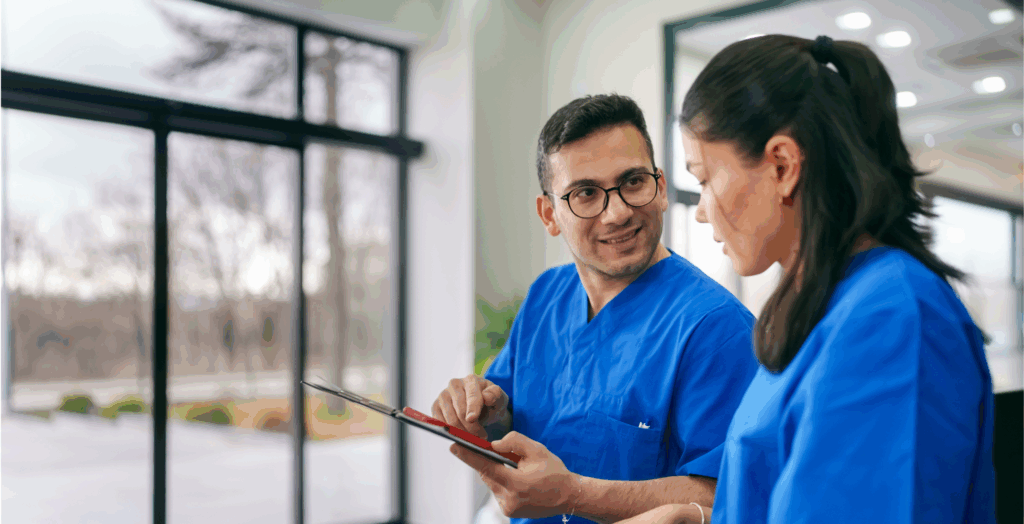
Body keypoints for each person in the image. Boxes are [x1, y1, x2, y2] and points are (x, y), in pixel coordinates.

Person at [616, 35, 997, 524]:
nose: (704, 212)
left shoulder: (893, 320)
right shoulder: (822, 308)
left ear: (782, 166)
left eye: (706, 178)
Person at [431, 94, 759, 524]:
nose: (618, 212)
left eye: (633, 182)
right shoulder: (546, 296)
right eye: (586, 193)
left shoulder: (716, 329)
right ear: (549, 214)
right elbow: (509, 416)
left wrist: (574, 494)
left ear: (660, 188)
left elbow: (722, 497)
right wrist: (484, 409)